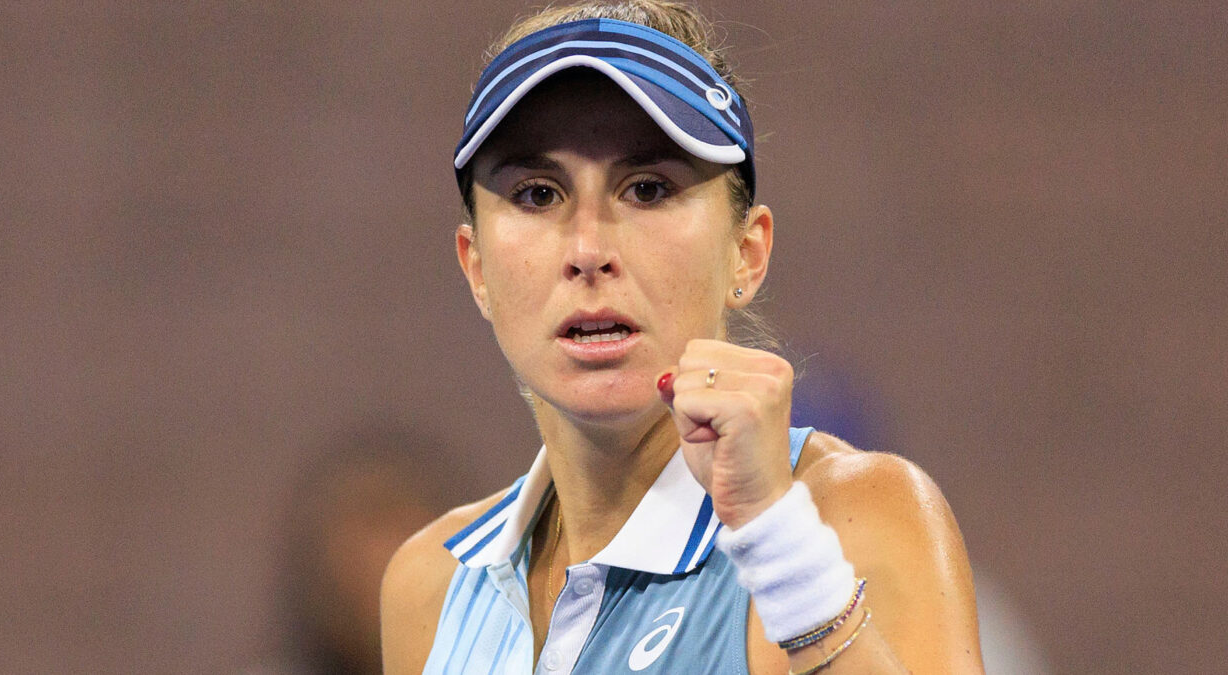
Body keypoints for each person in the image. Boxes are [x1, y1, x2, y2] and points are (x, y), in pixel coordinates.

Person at [381, 2, 982, 673]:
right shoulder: (427, 588)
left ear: (745, 253)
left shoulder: (853, 519)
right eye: (537, 194)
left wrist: (775, 538)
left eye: (646, 188)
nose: (587, 248)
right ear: (476, 267)